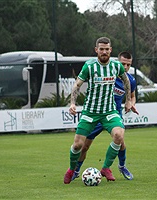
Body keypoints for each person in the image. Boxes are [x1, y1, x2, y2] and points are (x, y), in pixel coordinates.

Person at [63, 37, 132, 184]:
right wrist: (72, 103)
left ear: (110, 50)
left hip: (109, 112)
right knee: (78, 145)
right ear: (96, 50)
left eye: (107, 49)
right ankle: (71, 169)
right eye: (101, 49)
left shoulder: (116, 65)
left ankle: (106, 168)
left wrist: (128, 101)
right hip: (90, 112)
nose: (104, 52)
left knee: (119, 136)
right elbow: (77, 85)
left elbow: (126, 81)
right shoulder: (89, 66)